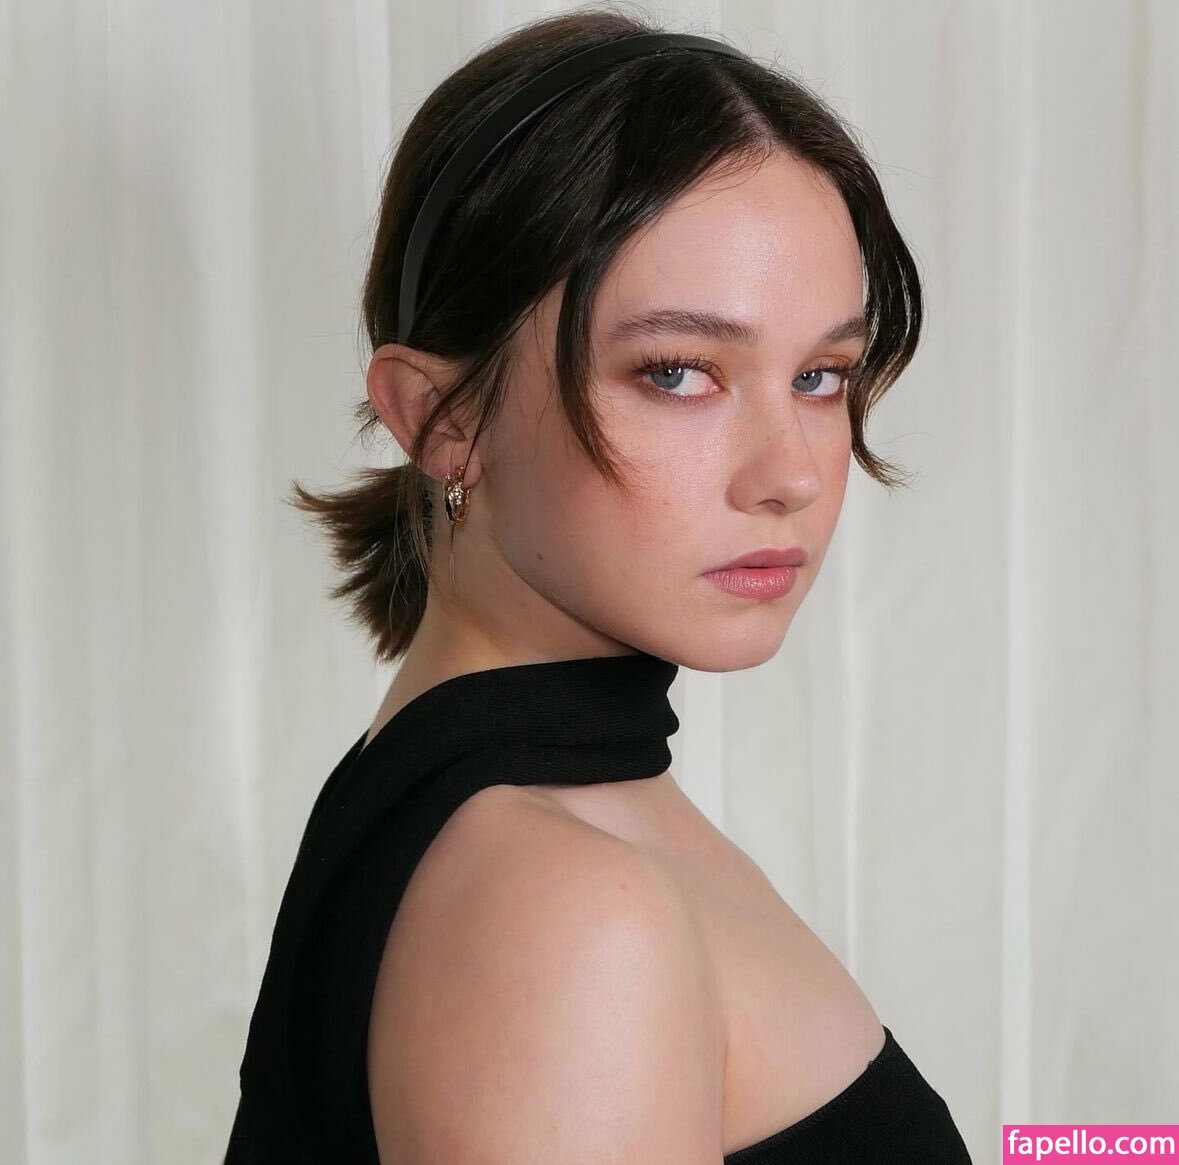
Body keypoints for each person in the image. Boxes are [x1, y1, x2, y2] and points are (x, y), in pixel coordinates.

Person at [225, 6, 973, 1162]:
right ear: (441, 416)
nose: (790, 474)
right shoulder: (563, 907)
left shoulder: (516, 802)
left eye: (821, 374)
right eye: (677, 371)